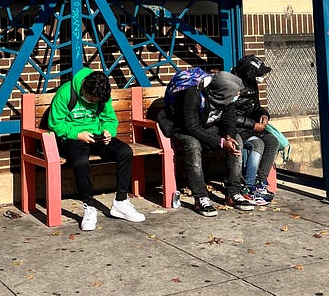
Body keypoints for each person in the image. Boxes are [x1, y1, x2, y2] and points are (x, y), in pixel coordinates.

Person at [46, 68, 147, 231]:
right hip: (73, 137)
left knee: (125, 152)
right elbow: (55, 124)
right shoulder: (66, 93)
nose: (93, 101)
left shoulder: (103, 95)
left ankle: (121, 202)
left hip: (96, 135)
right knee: (80, 161)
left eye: (96, 99)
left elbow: (109, 119)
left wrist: (108, 132)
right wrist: (78, 134)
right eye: (90, 98)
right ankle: (89, 206)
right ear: (84, 86)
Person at [160, 70, 255, 217]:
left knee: (238, 141)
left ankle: (233, 193)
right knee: (193, 145)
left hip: (205, 126)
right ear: (221, 93)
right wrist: (221, 142)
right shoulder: (193, 94)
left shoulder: (226, 97)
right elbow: (191, 127)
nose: (235, 98)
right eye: (234, 95)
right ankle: (200, 197)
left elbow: (229, 119)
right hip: (181, 127)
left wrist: (229, 137)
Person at [232, 55, 279, 205]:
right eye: (258, 74)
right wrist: (253, 126)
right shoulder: (232, 85)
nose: (261, 77)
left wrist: (264, 115)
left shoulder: (252, 83)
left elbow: (256, 107)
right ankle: (249, 186)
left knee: (272, 141)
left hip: (252, 125)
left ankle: (260, 182)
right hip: (237, 128)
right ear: (249, 72)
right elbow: (229, 116)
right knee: (258, 144)